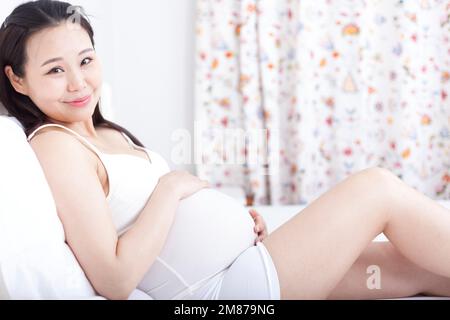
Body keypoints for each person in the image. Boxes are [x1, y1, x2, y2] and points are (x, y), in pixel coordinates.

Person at [1, 0, 450, 301]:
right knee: (376, 190)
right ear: (18, 79)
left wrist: (235, 222)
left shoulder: (102, 132)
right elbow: (115, 279)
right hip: (230, 289)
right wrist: (171, 188)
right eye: (55, 70)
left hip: (249, 259)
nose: (78, 82)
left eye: (85, 60)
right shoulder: (56, 147)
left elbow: (155, 229)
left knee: (418, 269)